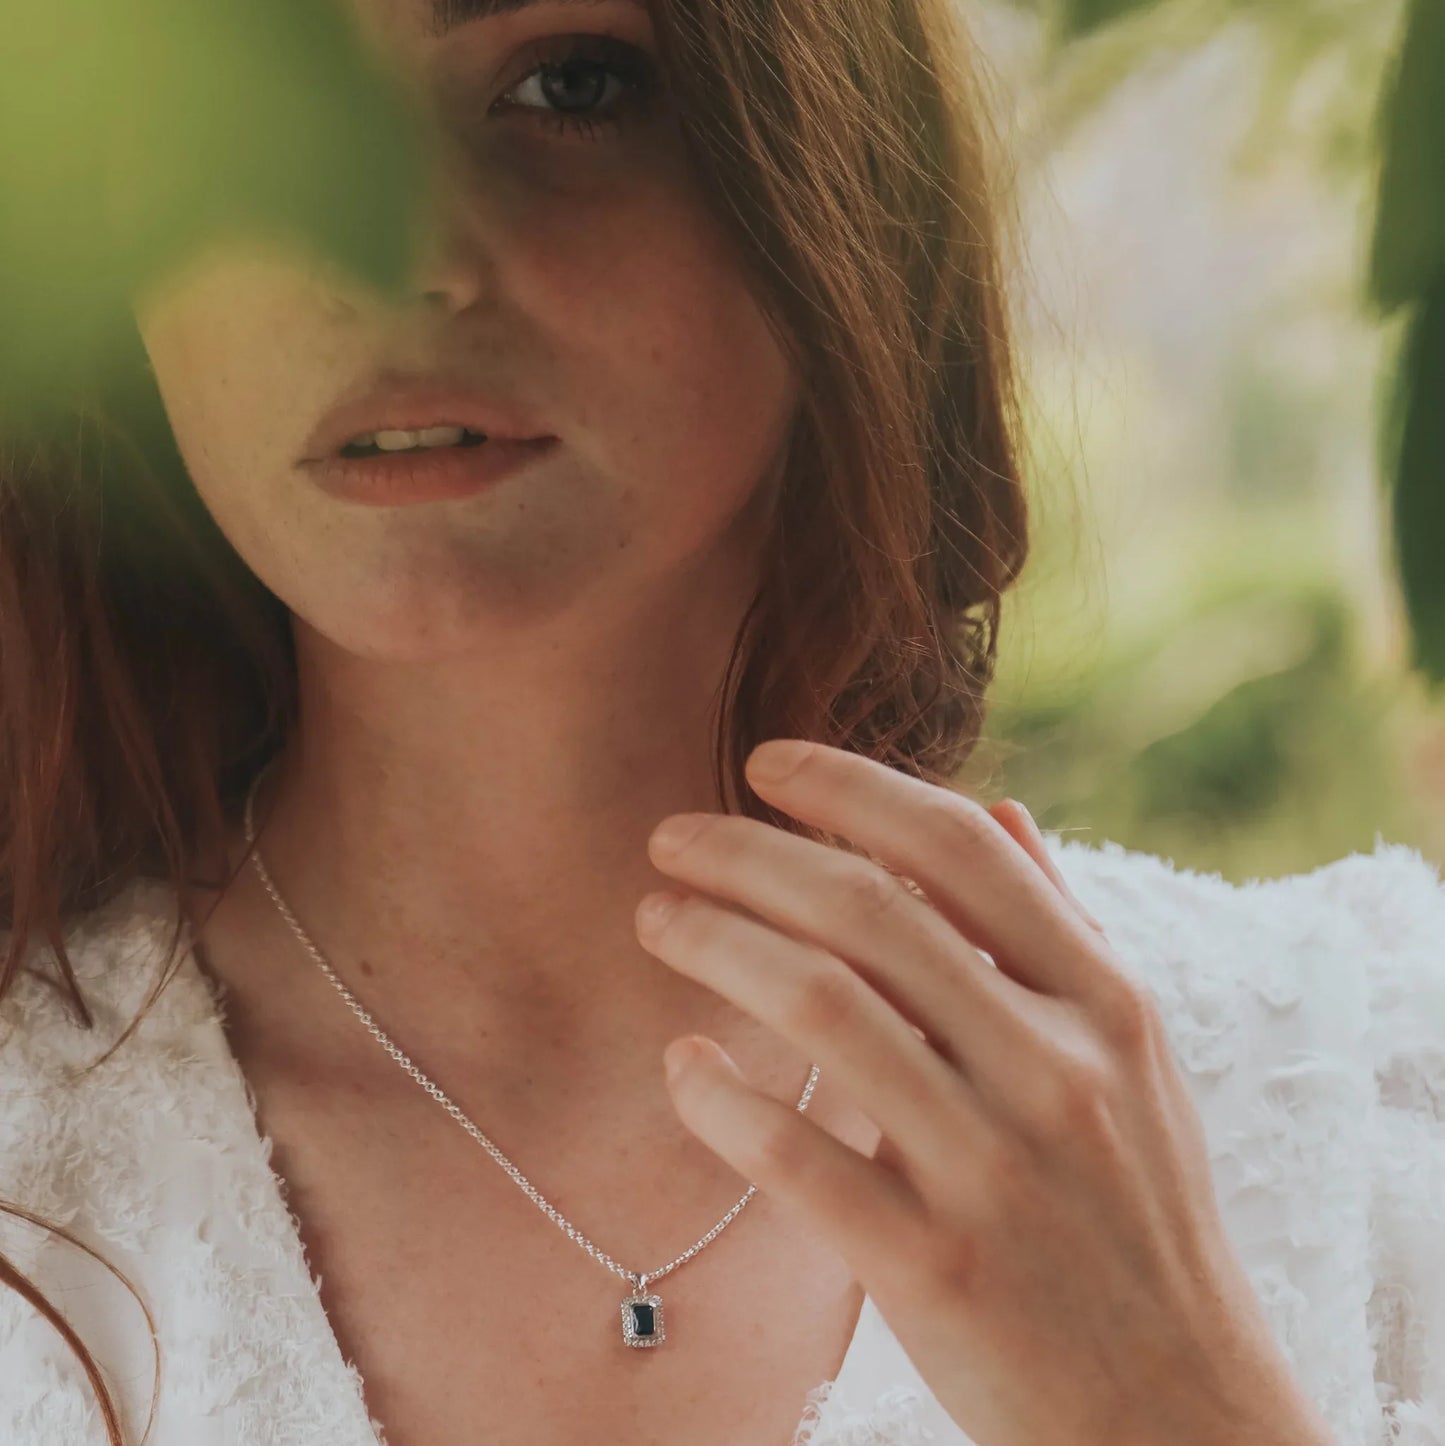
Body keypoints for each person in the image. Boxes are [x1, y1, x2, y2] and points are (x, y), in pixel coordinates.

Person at [1, 0, 1442, 1443]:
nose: (392, 256)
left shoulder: (1372, 1081)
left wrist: (1183, 1406)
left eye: (568, 87)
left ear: (837, 172)